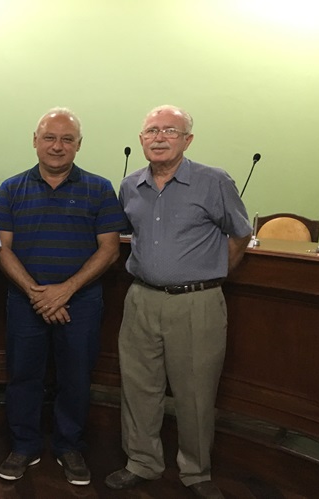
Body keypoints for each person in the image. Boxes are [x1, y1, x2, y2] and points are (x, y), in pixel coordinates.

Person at [105, 105, 251, 499]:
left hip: (196, 303)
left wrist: (214, 273)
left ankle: (196, 471)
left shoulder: (213, 181)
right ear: (141, 140)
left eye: (170, 130)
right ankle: (141, 462)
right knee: (138, 388)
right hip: (141, 299)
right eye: (152, 130)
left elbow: (240, 234)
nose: (159, 137)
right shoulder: (130, 185)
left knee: (196, 392)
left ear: (188, 140)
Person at [0, 107, 126, 486]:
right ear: (35, 141)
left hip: (80, 303)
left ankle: (70, 446)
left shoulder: (99, 188)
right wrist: (37, 294)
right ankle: (24, 445)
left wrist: (65, 290)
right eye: (49, 138)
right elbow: (2, 249)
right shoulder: (11, 188)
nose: (57, 146)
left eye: (67, 139)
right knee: (23, 376)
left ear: (79, 145)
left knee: (76, 377)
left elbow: (110, 250)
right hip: (26, 302)